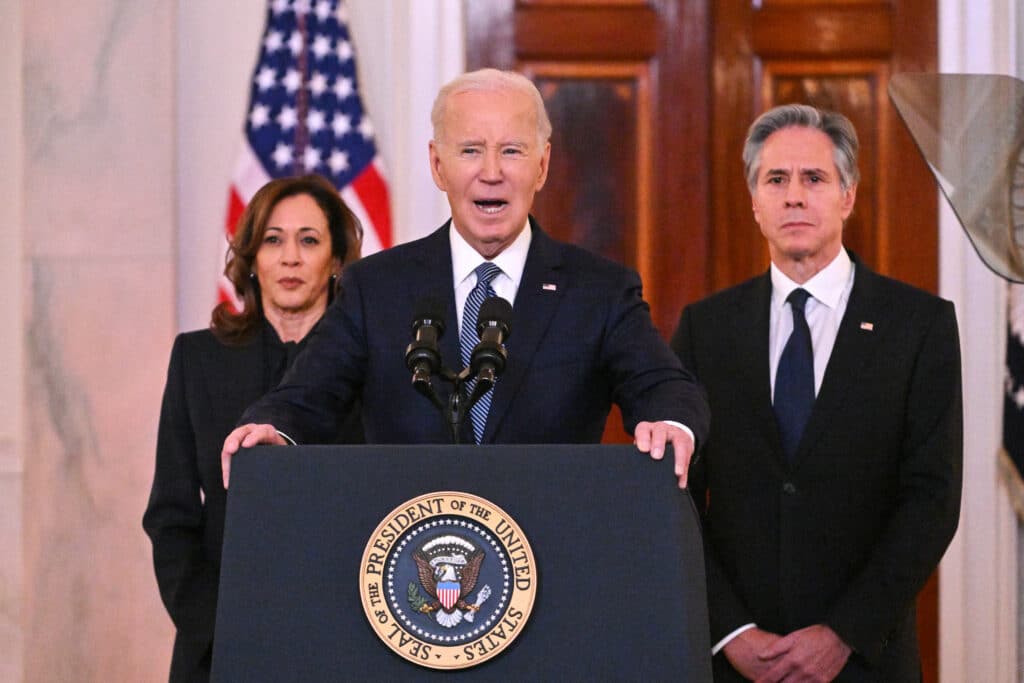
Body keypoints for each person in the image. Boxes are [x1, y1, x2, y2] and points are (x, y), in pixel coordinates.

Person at [220, 68, 709, 489]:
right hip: (408, 565)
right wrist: (273, 428)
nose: (491, 172)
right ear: (438, 164)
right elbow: (306, 398)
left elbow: (666, 387)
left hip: (551, 561)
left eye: (512, 152)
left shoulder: (599, 291)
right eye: (471, 150)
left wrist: (670, 423)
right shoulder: (376, 288)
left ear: (542, 166)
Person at [671, 104, 963, 682]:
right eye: (775, 180)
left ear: (847, 195)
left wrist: (843, 634)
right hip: (735, 663)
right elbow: (675, 497)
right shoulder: (705, 330)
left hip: (864, 661)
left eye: (814, 179)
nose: (794, 196)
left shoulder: (918, 325)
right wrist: (728, 631)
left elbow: (932, 500)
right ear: (755, 201)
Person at [143, 174, 365, 683]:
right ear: (252, 258)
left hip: (344, 645)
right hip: (219, 648)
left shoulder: (370, 369)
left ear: (335, 262)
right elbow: (170, 518)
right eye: (273, 239)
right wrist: (222, 631)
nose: (290, 257)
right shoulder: (198, 360)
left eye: (308, 240)